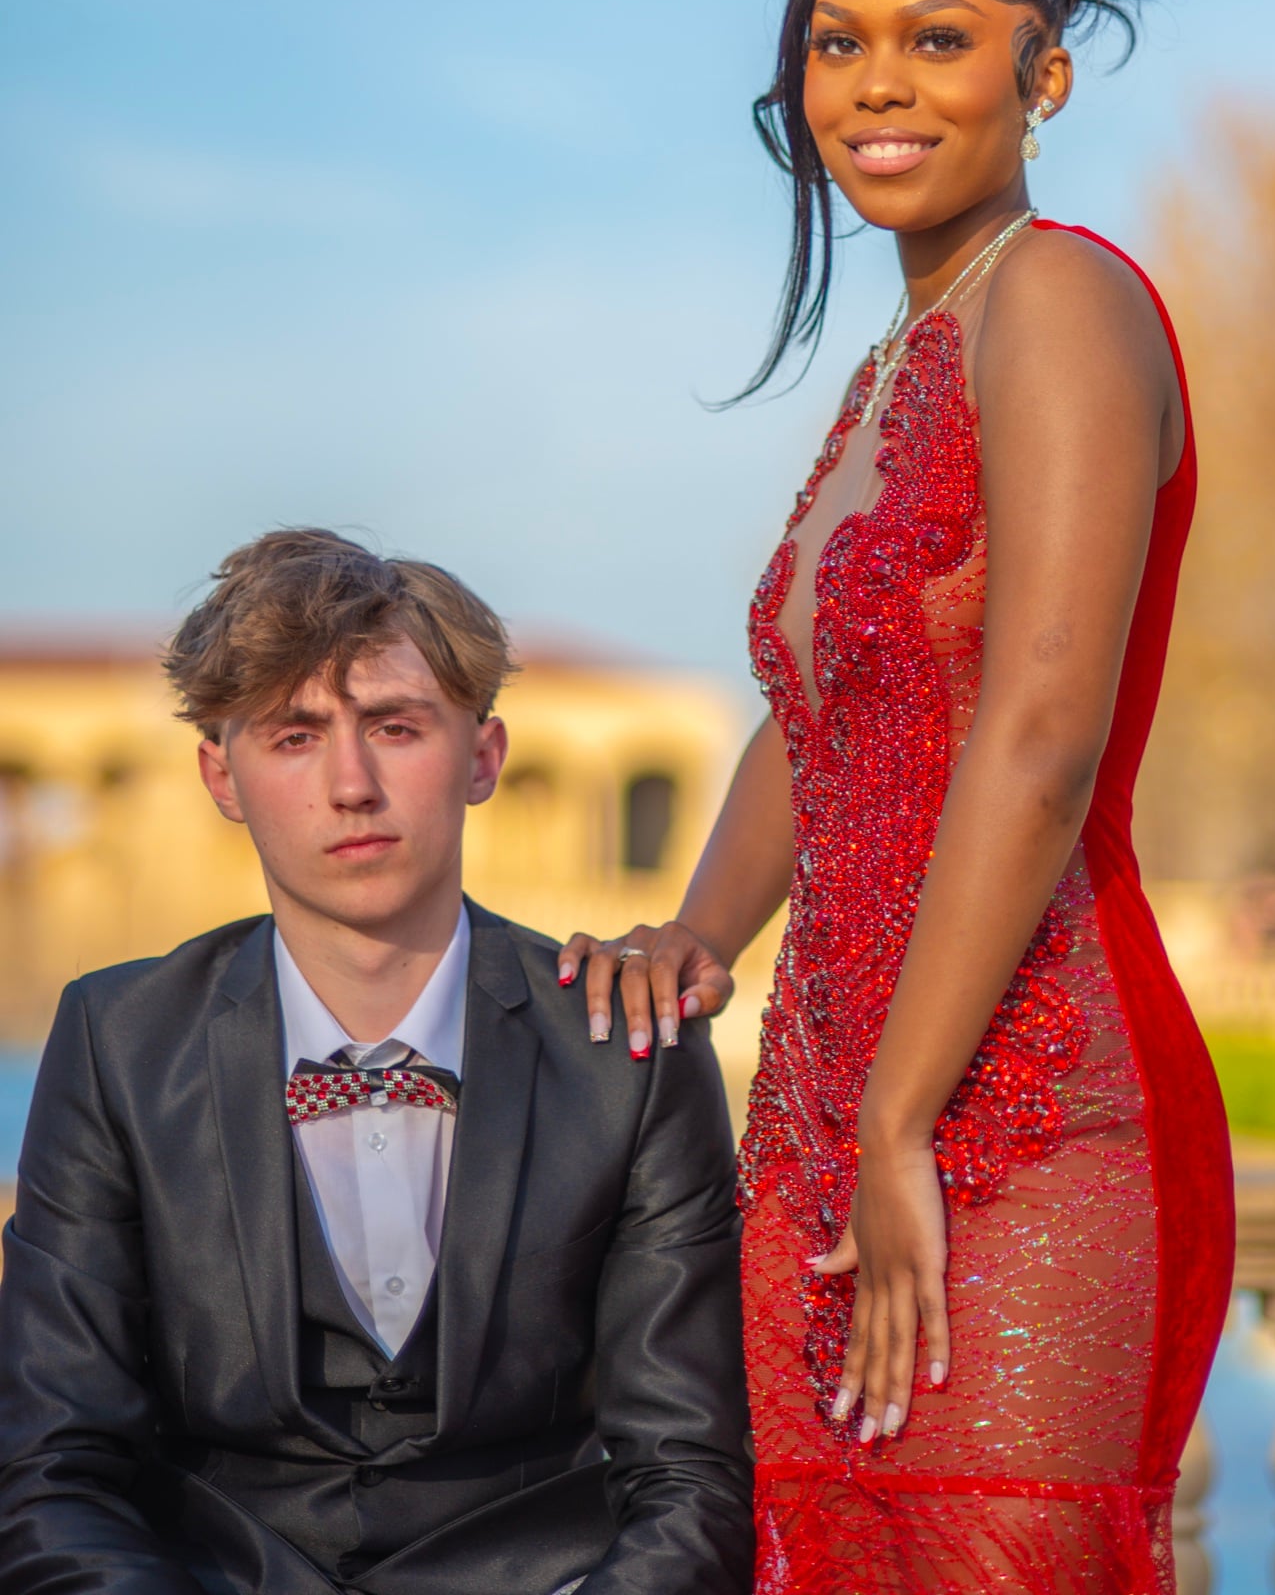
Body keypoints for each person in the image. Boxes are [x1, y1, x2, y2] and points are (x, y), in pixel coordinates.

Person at [562, 0, 1235, 1593]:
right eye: (838, 38)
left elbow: (1034, 733)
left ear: (1046, 70)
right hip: (830, 1129)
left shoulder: (1065, 302)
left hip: (1014, 1116)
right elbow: (826, 714)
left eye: (939, 37)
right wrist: (696, 939)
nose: (877, 83)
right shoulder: (890, 367)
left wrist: (901, 1112)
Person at [0, 529, 753, 1595]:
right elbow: (54, 1472)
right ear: (223, 776)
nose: (351, 786)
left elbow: (689, 1480)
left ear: (483, 757)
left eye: (395, 728)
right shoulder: (117, 1042)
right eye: (294, 737)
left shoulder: (626, 1048)